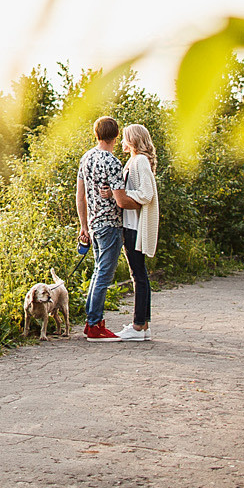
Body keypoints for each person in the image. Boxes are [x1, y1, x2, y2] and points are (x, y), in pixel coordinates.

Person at [103, 122, 158, 341]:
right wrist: (114, 195)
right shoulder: (134, 161)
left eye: (125, 138)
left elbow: (146, 194)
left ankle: (137, 327)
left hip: (134, 225)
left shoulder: (140, 161)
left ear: (133, 140)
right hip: (131, 223)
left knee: (139, 275)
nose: (122, 142)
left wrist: (123, 194)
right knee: (140, 274)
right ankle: (143, 326)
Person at [73, 115, 126, 339]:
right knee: (104, 274)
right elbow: (121, 199)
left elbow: (80, 195)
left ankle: (91, 321)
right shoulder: (112, 162)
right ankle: (94, 324)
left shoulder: (86, 158)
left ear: (96, 134)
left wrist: (83, 226)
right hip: (110, 223)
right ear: (116, 136)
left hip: (94, 224)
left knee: (98, 272)